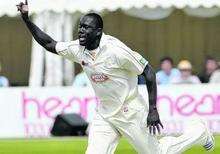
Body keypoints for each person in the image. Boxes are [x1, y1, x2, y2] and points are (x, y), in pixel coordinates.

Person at [17, 1, 214, 153]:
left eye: (86, 28)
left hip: (131, 112)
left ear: (99, 32)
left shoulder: (116, 51)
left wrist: (153, 110)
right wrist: (26, 19)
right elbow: (49, 44)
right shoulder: (78, 48)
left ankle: (199, 132)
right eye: (80, 26)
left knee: (159, 152)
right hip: (105, 114)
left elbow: (149, 72)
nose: (81, 31)